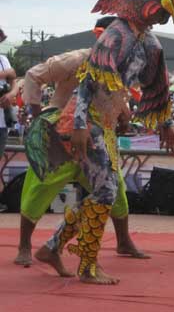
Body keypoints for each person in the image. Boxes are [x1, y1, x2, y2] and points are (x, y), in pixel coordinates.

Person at [25, 0, 174, 285]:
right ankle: (84, 264)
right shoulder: (116, 34)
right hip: (83, 121)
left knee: (104, 192)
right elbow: (90, 83)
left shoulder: (150, 44)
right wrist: (81, 125)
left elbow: (156, 87)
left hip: (100, 125)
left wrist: (165, 122)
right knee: (104, 192)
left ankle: (54, 246)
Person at [14, 16, 152, 268]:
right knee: (40, 187)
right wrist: (39, 117)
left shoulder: (124, 66)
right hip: (62, 132)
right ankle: (24, 245)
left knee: (114, 189)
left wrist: (123, 116)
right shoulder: (78, 58)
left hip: (100, 134)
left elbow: (116, 96)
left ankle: (123, 240)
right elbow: (33, 76)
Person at [0, 27, 19, 212]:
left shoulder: (2, 59)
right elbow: (10, 74)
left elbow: (14, 80)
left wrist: (10, 95)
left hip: (2, 120)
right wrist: (5, 74)